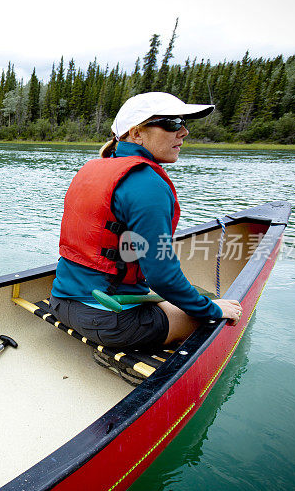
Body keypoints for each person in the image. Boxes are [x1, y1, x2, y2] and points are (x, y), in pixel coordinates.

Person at [50, 92, 243, 349]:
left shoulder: (92, 169)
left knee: (170, 303)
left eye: (184, 123)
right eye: (172, 123)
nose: (184, 131)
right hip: (111, 321)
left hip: (61, 302)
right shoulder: (148, 184)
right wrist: (210, 309)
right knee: (215, 318)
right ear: (137, 133)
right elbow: (161, 276)